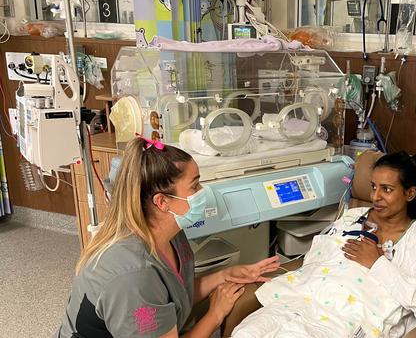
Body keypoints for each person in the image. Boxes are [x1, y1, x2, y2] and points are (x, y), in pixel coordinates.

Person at [54, 135, 280, 338]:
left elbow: (173, 296)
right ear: (162, 202)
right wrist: (215, 314)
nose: (203, 192)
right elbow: (149, 298)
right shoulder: (133, 276)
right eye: (195, 186)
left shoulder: (171, 235)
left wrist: (225, 275)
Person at [231, 152, 416, 338]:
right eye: (373, 187)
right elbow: (314, 262)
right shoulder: (351, 218)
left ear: (410, 193)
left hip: (341, 321)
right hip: (295, 305)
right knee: (244, 333)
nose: (375, 196)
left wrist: (377, 264)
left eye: (386, 189)